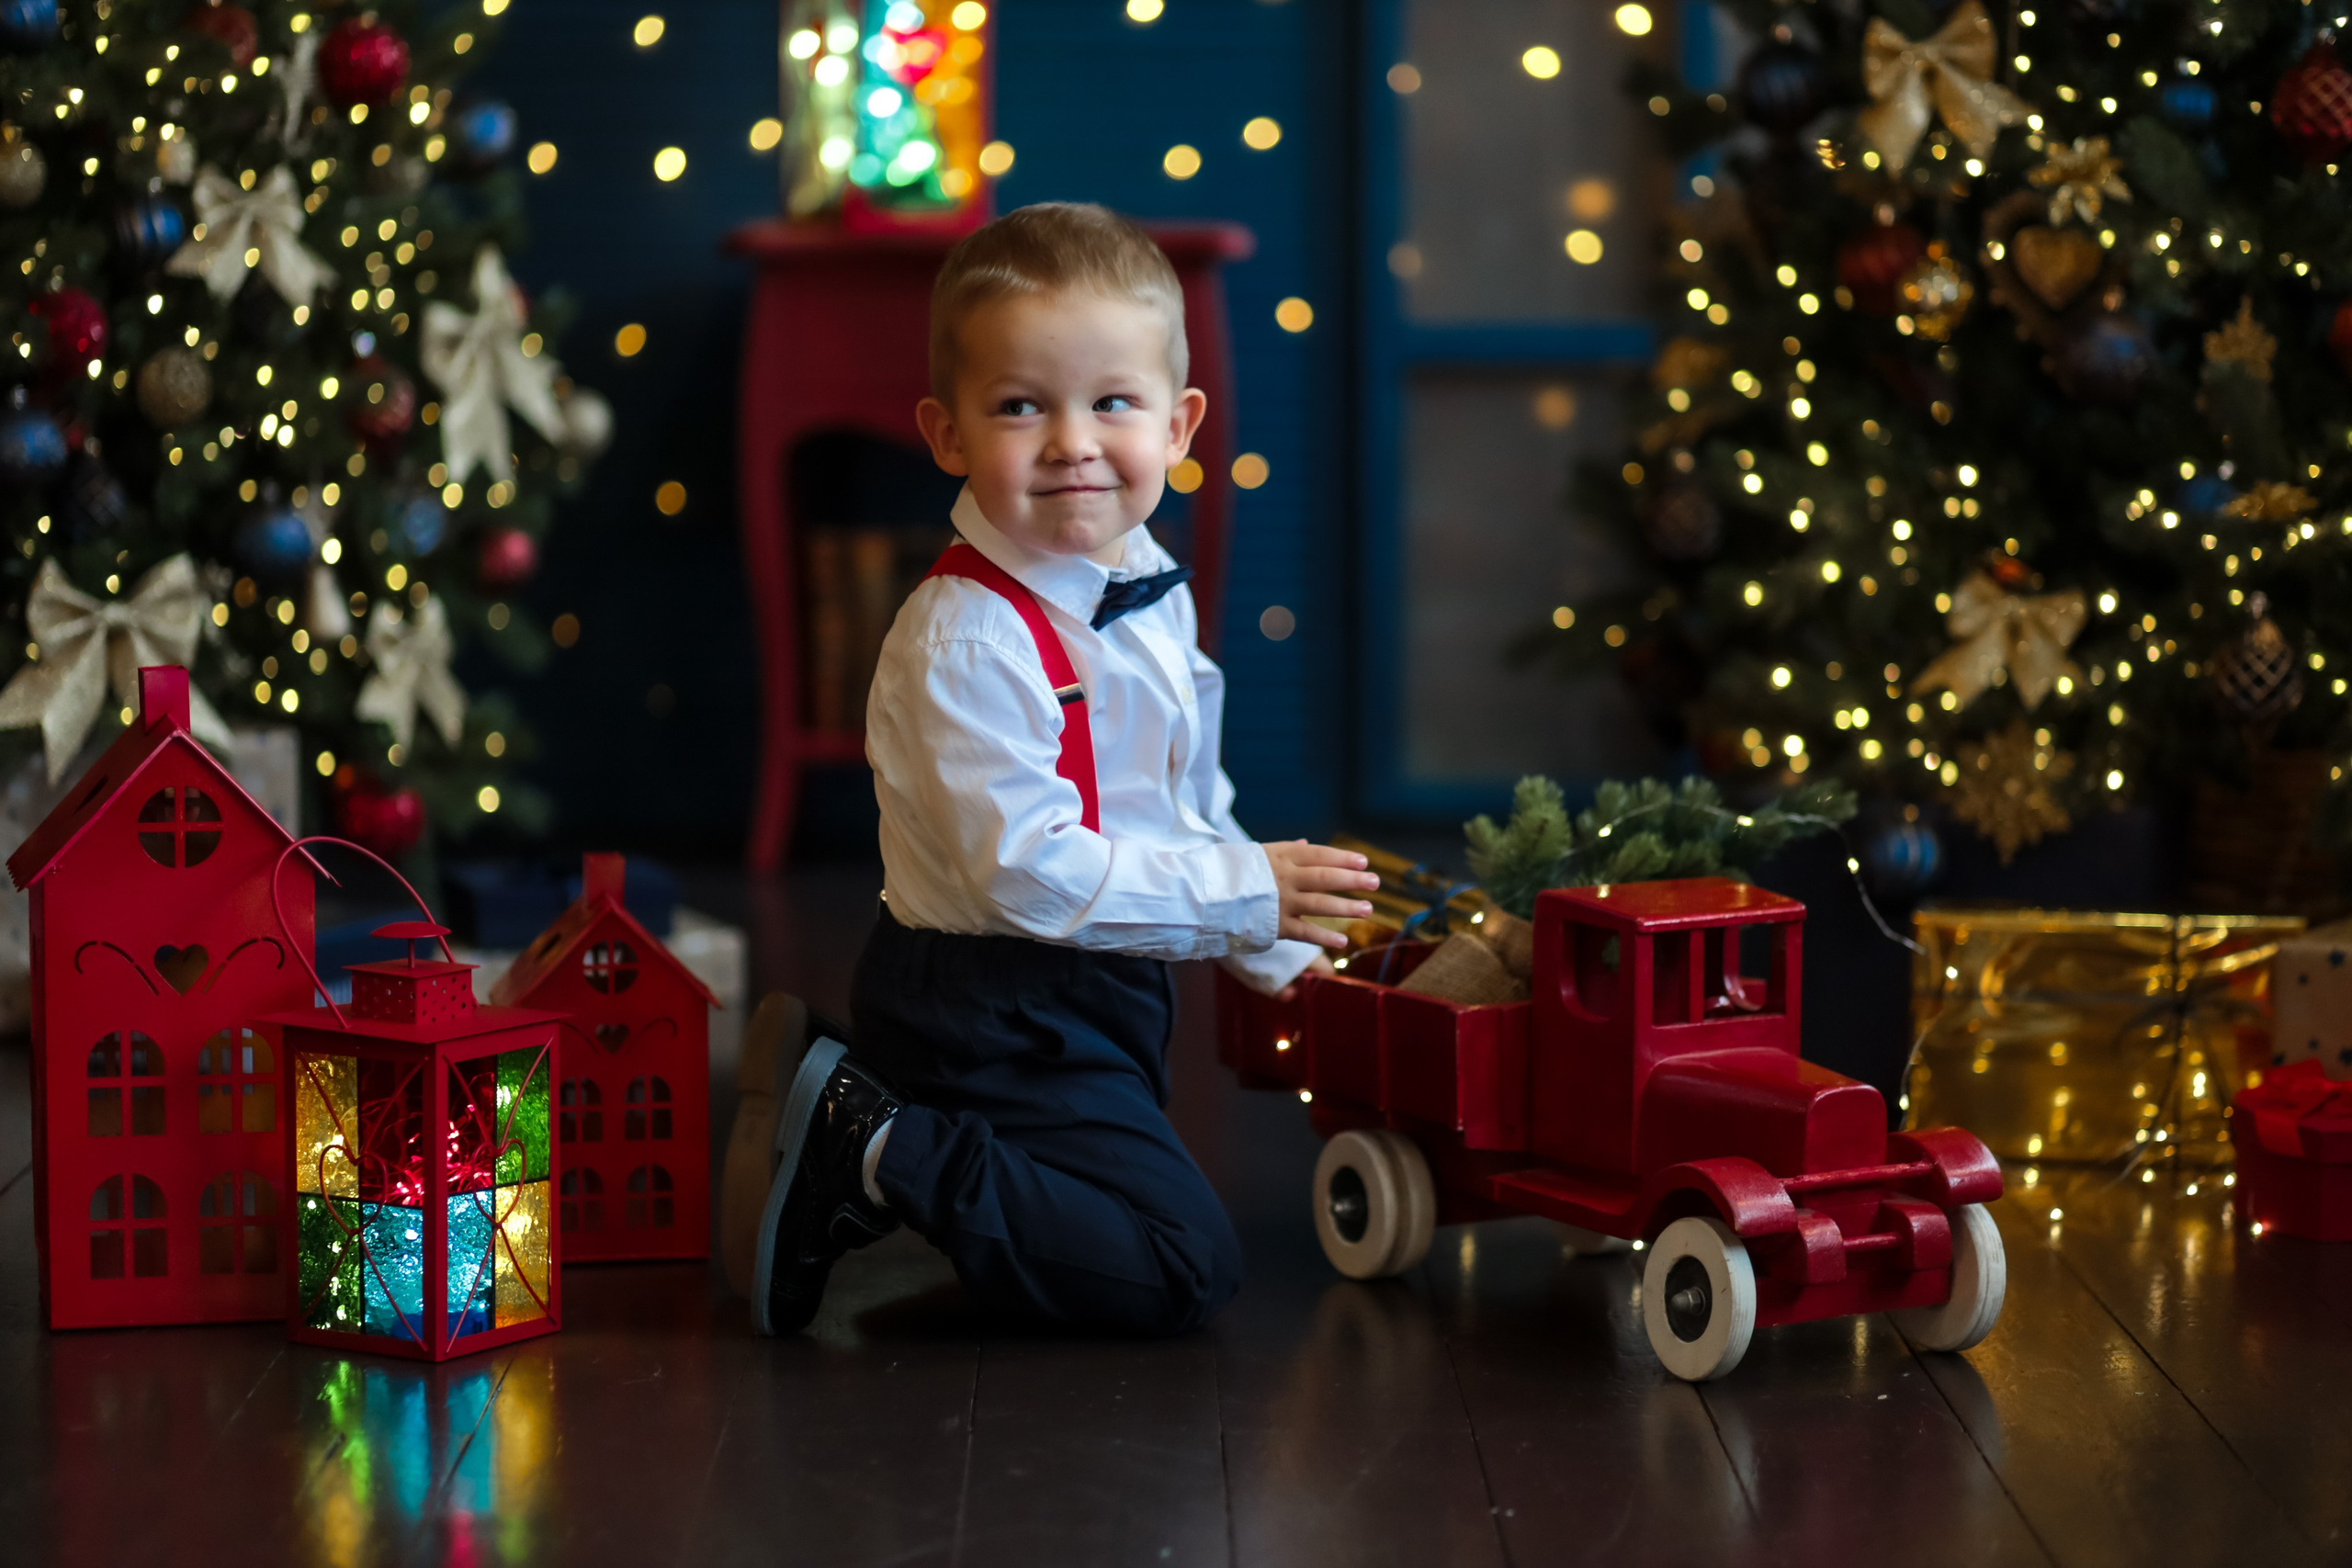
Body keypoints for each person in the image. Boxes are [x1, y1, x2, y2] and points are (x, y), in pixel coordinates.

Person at [721, 201, 1379, 1337]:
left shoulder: (1146, 580)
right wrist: (1239, 895)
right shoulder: (967, 639)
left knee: (1114, 1209)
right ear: (947, 434)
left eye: (1111, 403)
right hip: (989, 999)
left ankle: (902, 1129)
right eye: (1023, 406)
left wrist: (1282, 953)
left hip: (1100, 989)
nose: (1073, 441)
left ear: (1178, 427)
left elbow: (1181, 804)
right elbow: (1023, 878)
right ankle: (874, 1138)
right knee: (1179, 1264)